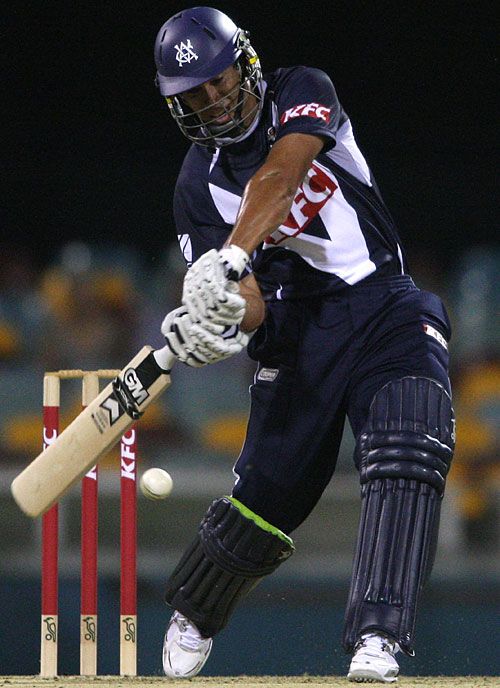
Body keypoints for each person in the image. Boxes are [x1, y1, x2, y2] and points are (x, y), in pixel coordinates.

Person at [154, 7, 455, 683]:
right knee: (267, 497)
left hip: (381, 302)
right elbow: (252, 304)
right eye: (193, 95)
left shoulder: (300, 90)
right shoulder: (194, 190)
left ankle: (377, 637)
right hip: (296, 331)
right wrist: (221, 317)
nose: (214, 99)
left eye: (218, 79)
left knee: (412, 441)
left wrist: (228, 258)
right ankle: (196, 611)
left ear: (246, 63)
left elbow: (282, 174)